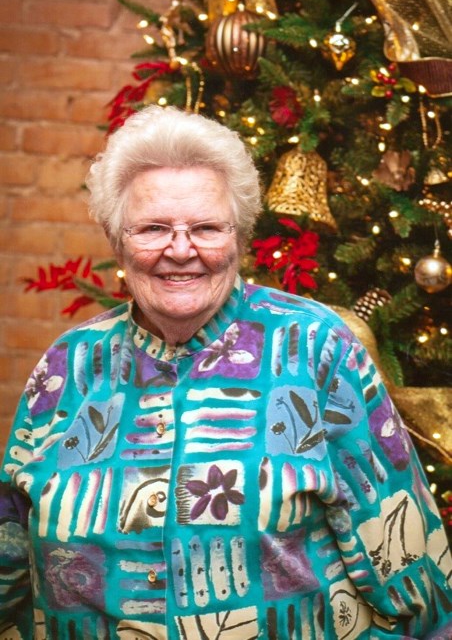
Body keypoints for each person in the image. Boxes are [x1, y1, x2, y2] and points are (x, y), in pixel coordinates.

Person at [0, 106, 451, 640]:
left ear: (239, 236)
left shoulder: (315, 349)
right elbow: (9, 553)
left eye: (207, 228)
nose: (180, 250)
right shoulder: (68, 365)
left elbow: (412, 566)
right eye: (153, 228)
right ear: (117, 237)